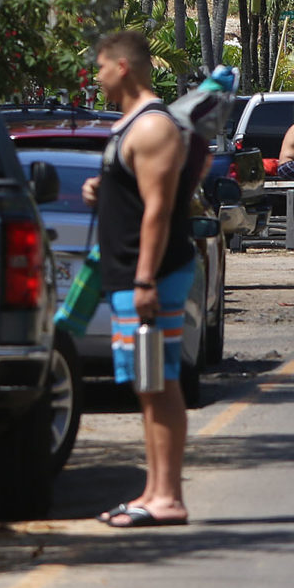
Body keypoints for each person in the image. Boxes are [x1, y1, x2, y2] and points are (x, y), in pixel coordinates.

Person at [84, 31, 197, 528]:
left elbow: (157, 210)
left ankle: (167, 497)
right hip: (130, 273)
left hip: (150, 274)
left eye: (101, 66)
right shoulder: (130, 125)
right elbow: (134, 192)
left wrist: (146, 279)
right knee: (147, 383)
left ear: (123, 67)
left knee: (160, 380)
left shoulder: (152, 127)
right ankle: (152, 492)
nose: (96, 75)